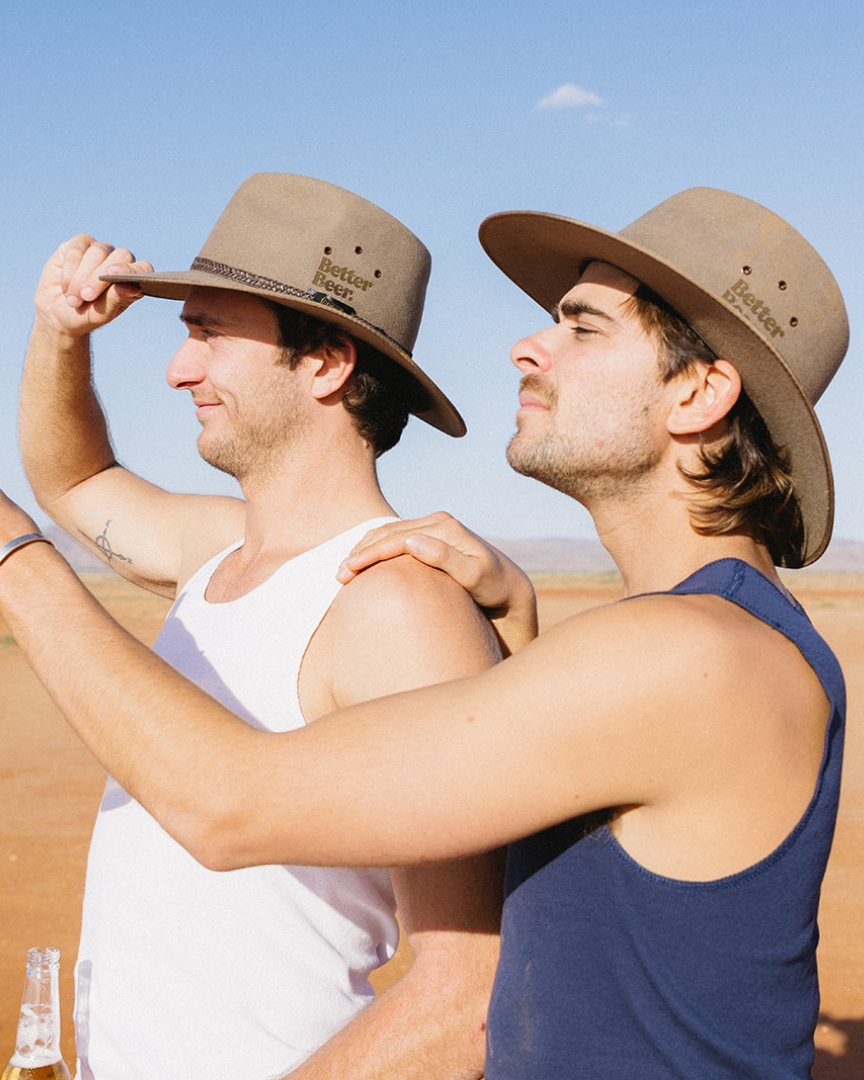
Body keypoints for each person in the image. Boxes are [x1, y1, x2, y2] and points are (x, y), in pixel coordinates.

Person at [0, 186, 848, 1079]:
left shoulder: (695, 655)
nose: (527, 345)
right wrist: (517, 627)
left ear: (702, 392)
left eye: (585, 327)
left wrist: (14, 561)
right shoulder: (684, 644)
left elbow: (227, 806)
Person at [15, 172, 504, 1080]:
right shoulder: (219, 550)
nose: (177, 369)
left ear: (326, 361)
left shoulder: (398, 607)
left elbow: (468, 992)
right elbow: (73, 485)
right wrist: (59, 337)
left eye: (206, 334)